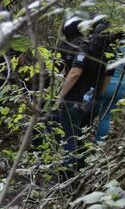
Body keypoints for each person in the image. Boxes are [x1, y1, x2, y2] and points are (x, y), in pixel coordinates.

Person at [47, 16, 111, 174]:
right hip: (92, 101)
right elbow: (106, 79)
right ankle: (80, 176)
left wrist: (60, 97)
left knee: (70, 139)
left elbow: (75, 72)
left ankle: (67, 181)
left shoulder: (84, 47)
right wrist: (97, 98)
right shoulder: (108, 53)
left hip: (74, 100)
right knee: (81, 140)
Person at [93, 32, 125, 142]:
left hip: (107, 84)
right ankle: (99, 144)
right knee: (106, 116)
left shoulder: (109, 49)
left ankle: (82, 140)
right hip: (121, 86)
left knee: (92, 112)